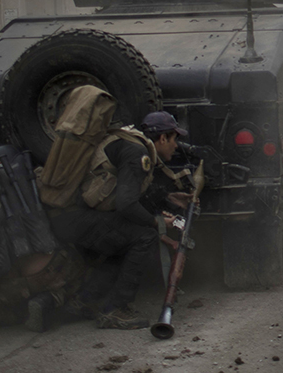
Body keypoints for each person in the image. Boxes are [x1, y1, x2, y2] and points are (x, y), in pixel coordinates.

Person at [49, 110, 186, 329]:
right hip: (72, 218)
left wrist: (166, 200)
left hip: (65, 215)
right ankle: (115, 309)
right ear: (162, 138)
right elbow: (126, 204)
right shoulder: (137, 152)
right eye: (174, 139)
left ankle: (85, 300)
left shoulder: (127, 142)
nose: (176, 146)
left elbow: (126, 191)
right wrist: (158, 223)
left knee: (125, 239)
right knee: (145, 237)